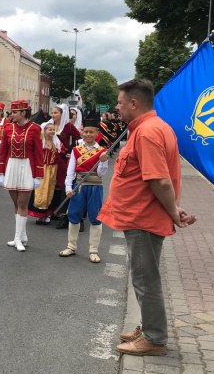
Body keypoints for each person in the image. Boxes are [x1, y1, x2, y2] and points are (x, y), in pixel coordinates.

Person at [95, 79, 196, 356]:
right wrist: (173, 207)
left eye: (119, 102)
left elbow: (160, 181)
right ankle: (149, 326)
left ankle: (154, 338)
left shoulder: (148, 132)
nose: (117, 107)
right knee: (143, 276)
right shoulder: (151, 128)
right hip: (142, 216)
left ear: (134, 103)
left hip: (143, 218)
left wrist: (174, 211)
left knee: (145, 278)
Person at [58, 111, 109, 263]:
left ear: (96, 133)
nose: (88, 134)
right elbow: (70, 170)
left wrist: (104, 161)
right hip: (78, 186)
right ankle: (71, 246)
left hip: (95, 187)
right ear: (82, 132)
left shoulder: (102, 151)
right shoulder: (75, 150)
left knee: (95, 218)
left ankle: (93, 250)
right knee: (73, 215)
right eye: (85, 131)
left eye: (91, 132)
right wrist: (68, 187)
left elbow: (101, 174)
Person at [0, 100, 44, 252]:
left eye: (15, 112)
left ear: (23, 112)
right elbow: (3, 151)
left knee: (23, 204)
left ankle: (17, 238)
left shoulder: (35, 129)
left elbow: (38, 153)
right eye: (11, 112)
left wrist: (38, 175)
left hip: (27, 167)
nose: (12, 115)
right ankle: (22, 235)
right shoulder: (8, 128)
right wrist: (1, 172)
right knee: (16, 204)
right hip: (11, 166)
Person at [45, 104, 82, 228]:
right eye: (52, 112)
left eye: (55, 113)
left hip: (61, 161)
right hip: (49, 160)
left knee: (61, 185)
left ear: (62, 114)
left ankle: (62, 214)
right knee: (50, 184)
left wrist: (69, 151)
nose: (53, 115)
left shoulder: (68, 126)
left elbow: (78, 139)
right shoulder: (50, 125)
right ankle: (50, 211)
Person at [28, 122, 65, 224]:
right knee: (40, 191)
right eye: (50, 129)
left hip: (53, 170)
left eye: (53, 130)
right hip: (43, 169)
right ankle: (39, 215)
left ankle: (46, 214)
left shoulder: (57, 143)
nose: (52, 131)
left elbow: (61, 155)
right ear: (44, 131)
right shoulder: (41, 143)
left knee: (50, 191)